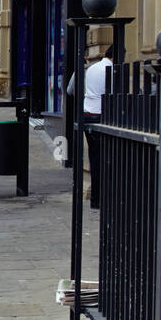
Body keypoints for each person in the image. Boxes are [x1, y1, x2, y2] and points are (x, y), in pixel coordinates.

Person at [70, 45, 114, 207]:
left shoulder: (92, 67)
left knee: (95, 158)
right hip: (100, 116)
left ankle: (96, 198)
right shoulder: (111, 70)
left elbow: (71, 90)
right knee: (106, 159)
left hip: (86, 114)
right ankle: (102, 198)